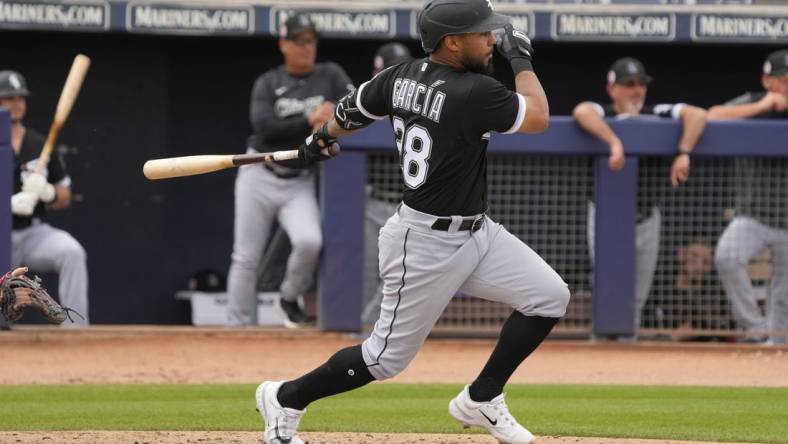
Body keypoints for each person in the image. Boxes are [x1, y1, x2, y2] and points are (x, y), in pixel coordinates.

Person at [255, 1, 570, 443]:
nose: (492, 40)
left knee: (549, 296)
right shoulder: (473, 90)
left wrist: (319, 139)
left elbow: (349, 111)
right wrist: (521, 58)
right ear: (452, 42)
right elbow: (537, 116)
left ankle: (481, 399)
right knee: (384, 359)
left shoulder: (399, 75)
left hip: (478, 232)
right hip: (424, 242)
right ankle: (285, 397)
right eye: (483, 34)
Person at [226, 13, 354, 327]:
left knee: (310, 241)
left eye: (311, 41)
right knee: (245, 258)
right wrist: (309, 118)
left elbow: (354, 106)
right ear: (284, 44)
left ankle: (288, 296)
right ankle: (236, 328)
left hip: (299, 178)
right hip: (259, 172)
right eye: (299, 41)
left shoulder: (330, 74)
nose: (306, 47)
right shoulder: (269, 82)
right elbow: (264, 126)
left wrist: (333, 115)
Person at [572, 57, 707, 335]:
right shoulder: (604, 113)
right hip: (606, 216)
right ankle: (600, 340)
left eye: (640, 84)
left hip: (646, 217)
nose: (636, 90)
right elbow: (581, 111)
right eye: (628, 84)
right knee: (605, 283)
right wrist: (614, 142)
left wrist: (683, 152)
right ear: (612, 89)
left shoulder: (656, 112)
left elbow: (698, 115)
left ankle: (626, 345)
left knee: (638, 292)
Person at [708, 49, 788, 344]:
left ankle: (777, 342)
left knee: (784, 290)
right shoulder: (753, 101)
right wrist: (762, 106)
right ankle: (755, 329)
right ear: (768, 81)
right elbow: (712, 116)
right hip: (753, 216)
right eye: (783, 80)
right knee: (728, 257)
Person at [0, 70, 89, 327]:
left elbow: (64, 196)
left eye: (20, 98)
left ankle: (77, 331)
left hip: (32, 234)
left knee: (71, 252)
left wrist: (48, 193)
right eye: (8, 98)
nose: (16, 104)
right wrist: (6, 206)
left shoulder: (39, 144)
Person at [362, 42, 413, 325]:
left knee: (394, 277)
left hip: (407, 208)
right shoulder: (364, 102)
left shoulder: (420, 104)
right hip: (372, 202)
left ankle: (373, 332)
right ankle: (357, 331)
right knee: (367, 274)